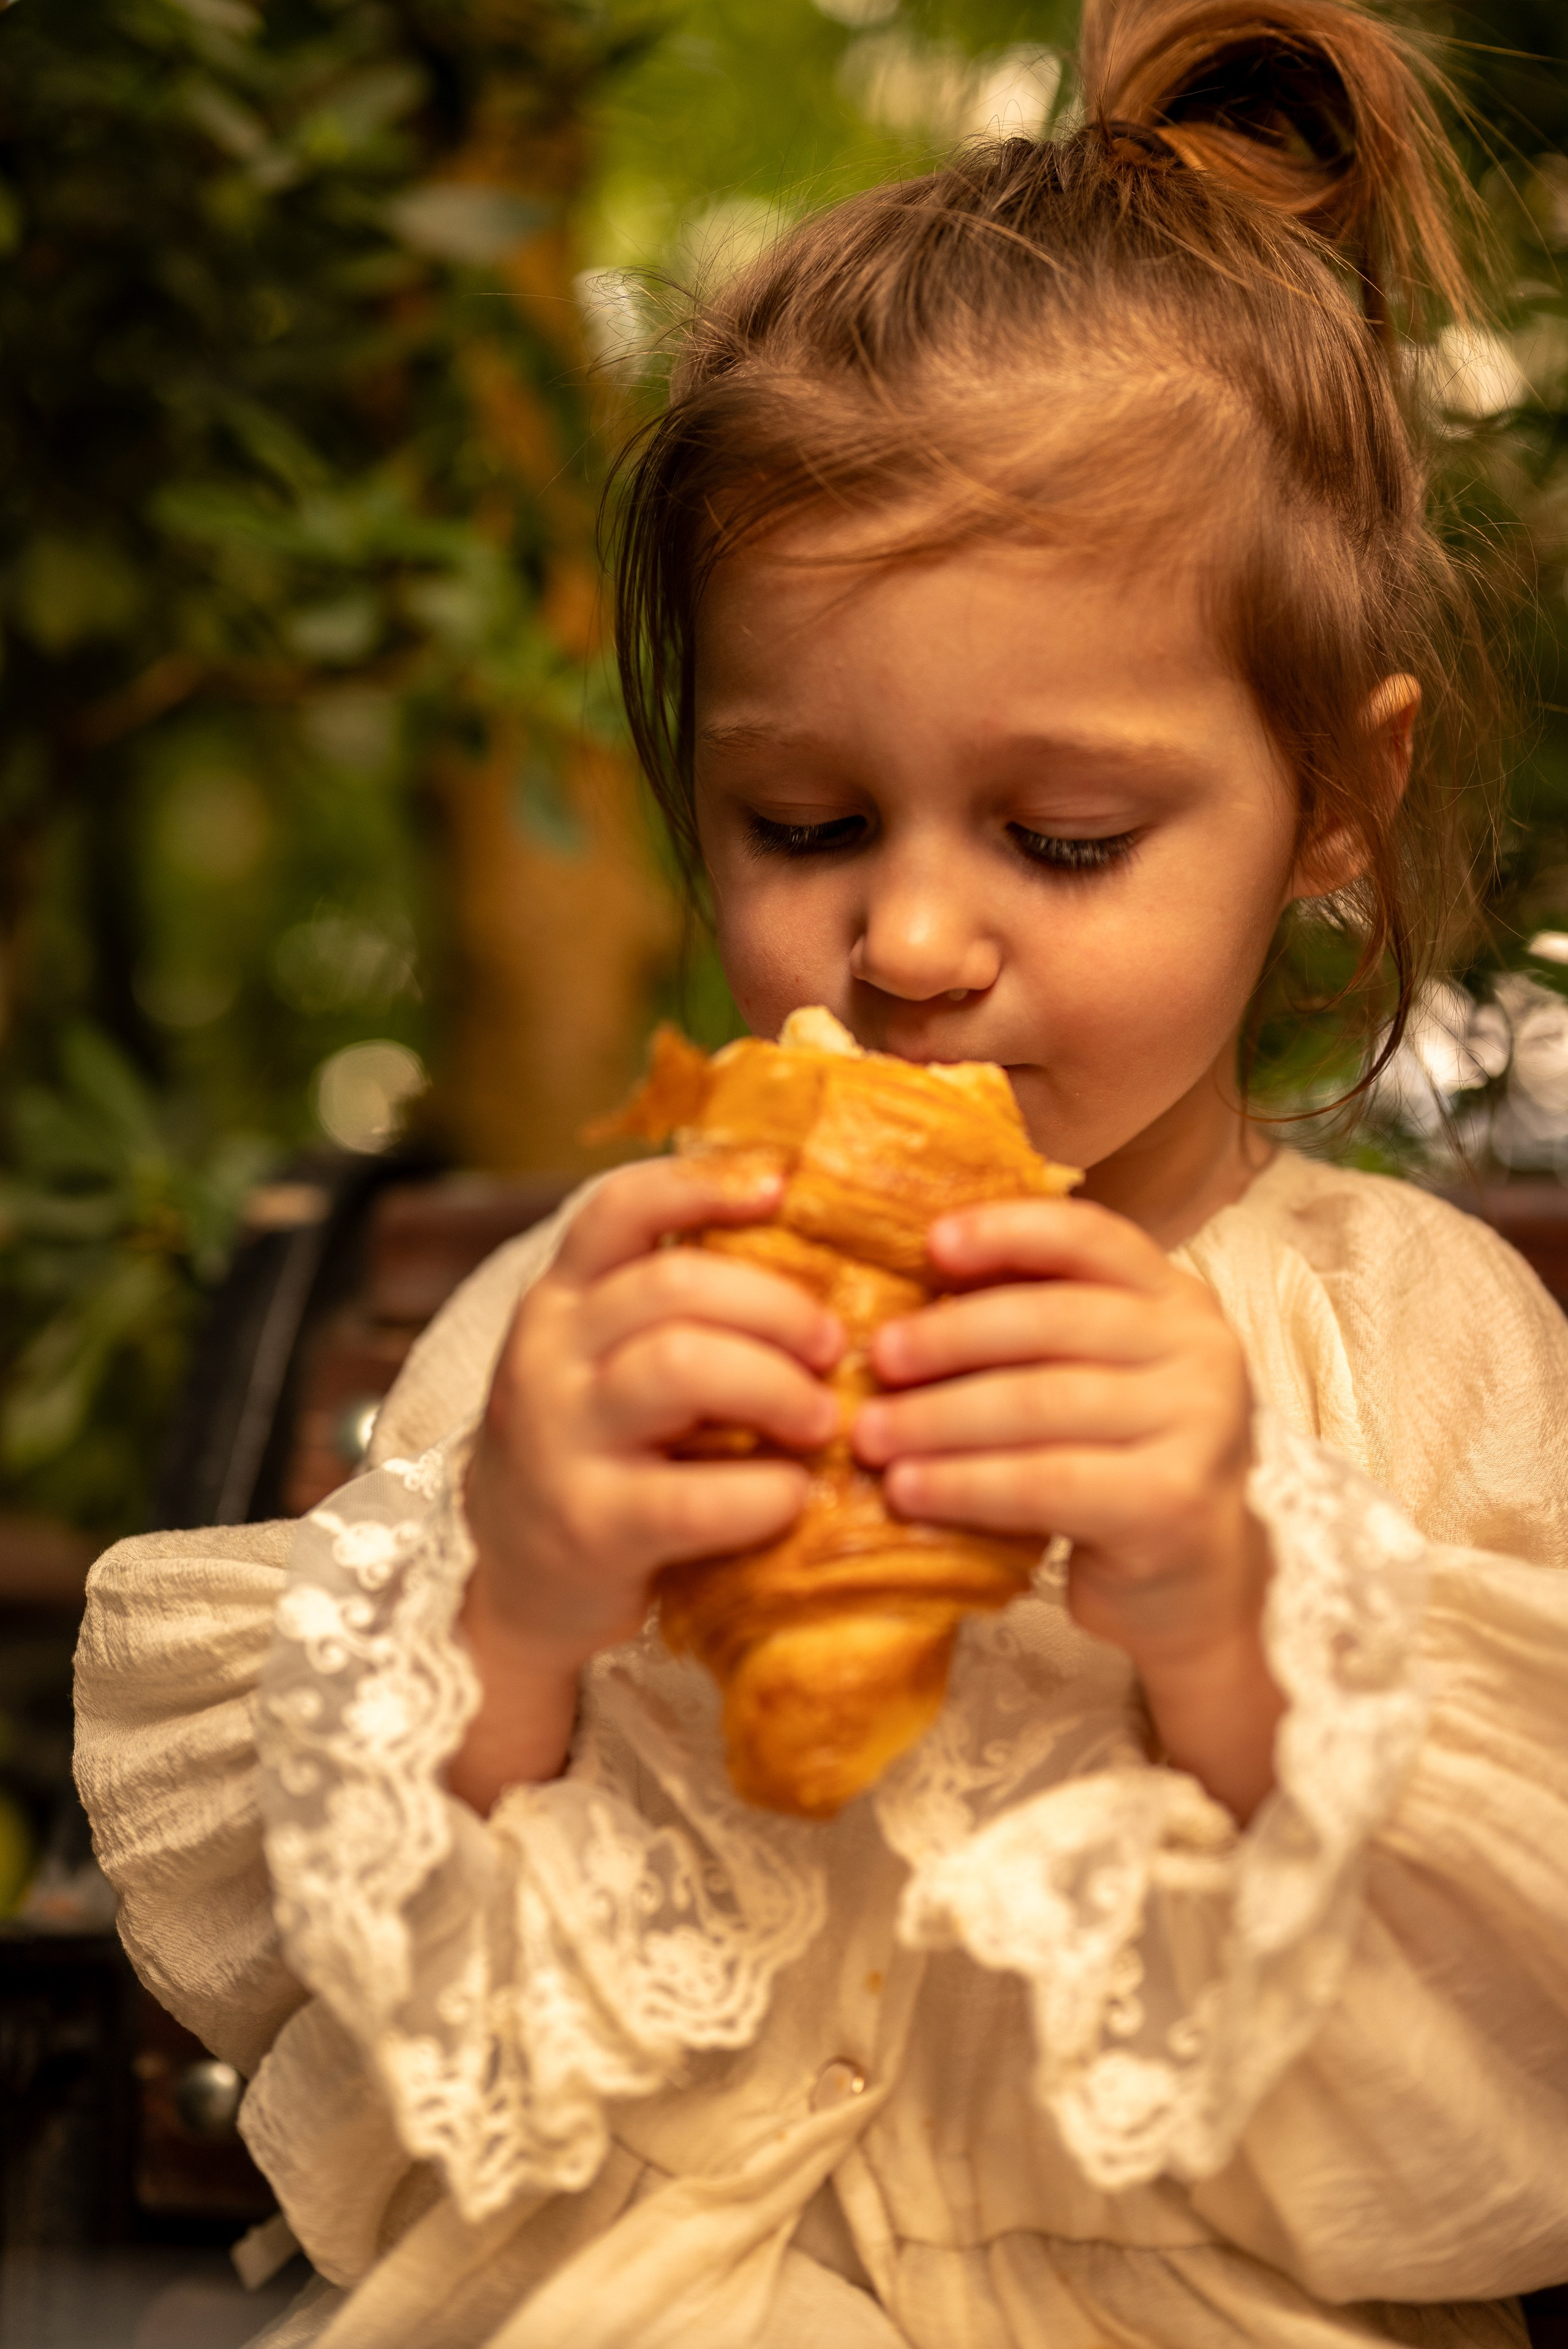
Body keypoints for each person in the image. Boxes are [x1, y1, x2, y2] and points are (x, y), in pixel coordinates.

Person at [74, 1, 1568, 2342]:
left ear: (1337, 807)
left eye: (1066, 837)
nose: (912, 939)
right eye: (804, 824)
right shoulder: (609, 1297)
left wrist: (1228, 1598)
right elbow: (369, 2001)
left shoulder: (1412, 1333)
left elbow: (1511, 2051)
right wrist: (514, 1596)